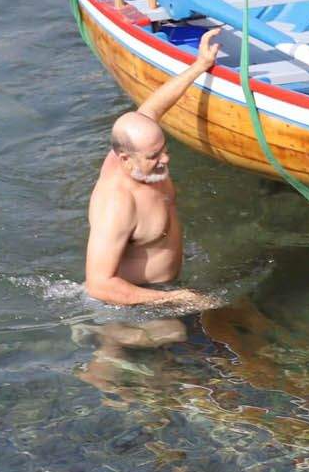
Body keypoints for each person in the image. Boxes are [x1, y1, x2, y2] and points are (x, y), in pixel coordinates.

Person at [84, 26, 224, 309]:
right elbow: (99, 284)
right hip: (128, 302)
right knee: (171, 338)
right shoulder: (118, 204)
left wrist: (199, 65)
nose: (165, 160)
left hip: (164, 288)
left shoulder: (141, 150)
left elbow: (152, 109)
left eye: (164, 150)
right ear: (124, 159)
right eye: (153, 156)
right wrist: (175, 298)